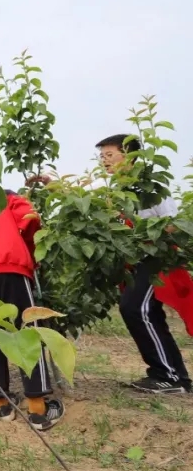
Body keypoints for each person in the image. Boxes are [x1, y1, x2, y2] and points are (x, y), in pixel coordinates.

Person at [96, 134, 191, 394]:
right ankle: (174, 377)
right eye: (101, 156)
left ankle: (168, 376)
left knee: (135, 308)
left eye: (109, 155)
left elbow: (173, 223)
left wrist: (145, 234)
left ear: (131, 157)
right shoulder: (118, 193)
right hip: (137, 261)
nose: (104, 161)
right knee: (146, 313)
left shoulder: (151, 187)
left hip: (156, 257)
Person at [0, 189, 65, 430]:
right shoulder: (7, 197)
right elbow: (31, 219)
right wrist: (29, 250)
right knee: (28, 330)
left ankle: (2, 404)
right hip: (11, 266)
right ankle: (38, 410)